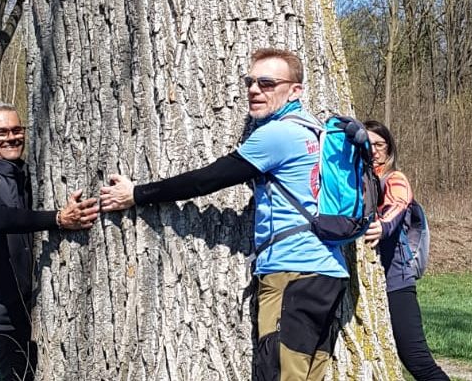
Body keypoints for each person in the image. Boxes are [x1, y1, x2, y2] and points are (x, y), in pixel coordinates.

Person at [100, 48, 349, 381]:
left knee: (277, 375)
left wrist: (137, 194)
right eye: (250, 81)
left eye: (267, 83)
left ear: (295, 90)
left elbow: (207, 179)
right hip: (330, 274)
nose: (254, 90)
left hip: (292, 274)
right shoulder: (317, 132)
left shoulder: (277, 135)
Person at [0, 103, 100, 381]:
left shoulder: (27, 177)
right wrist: (58, 219)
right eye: (0, 132)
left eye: (17, 130)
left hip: (20, 319)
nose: (11, 137)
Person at [362, 120, 449, 381]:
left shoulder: (395, 178)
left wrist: (383, 226)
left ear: (389, 150)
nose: (374, 150)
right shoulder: (362, 180)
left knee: (416, 359)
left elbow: (398, 204)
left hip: (396, 282)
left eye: (380, 144)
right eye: (368, 144)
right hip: (373, 283)